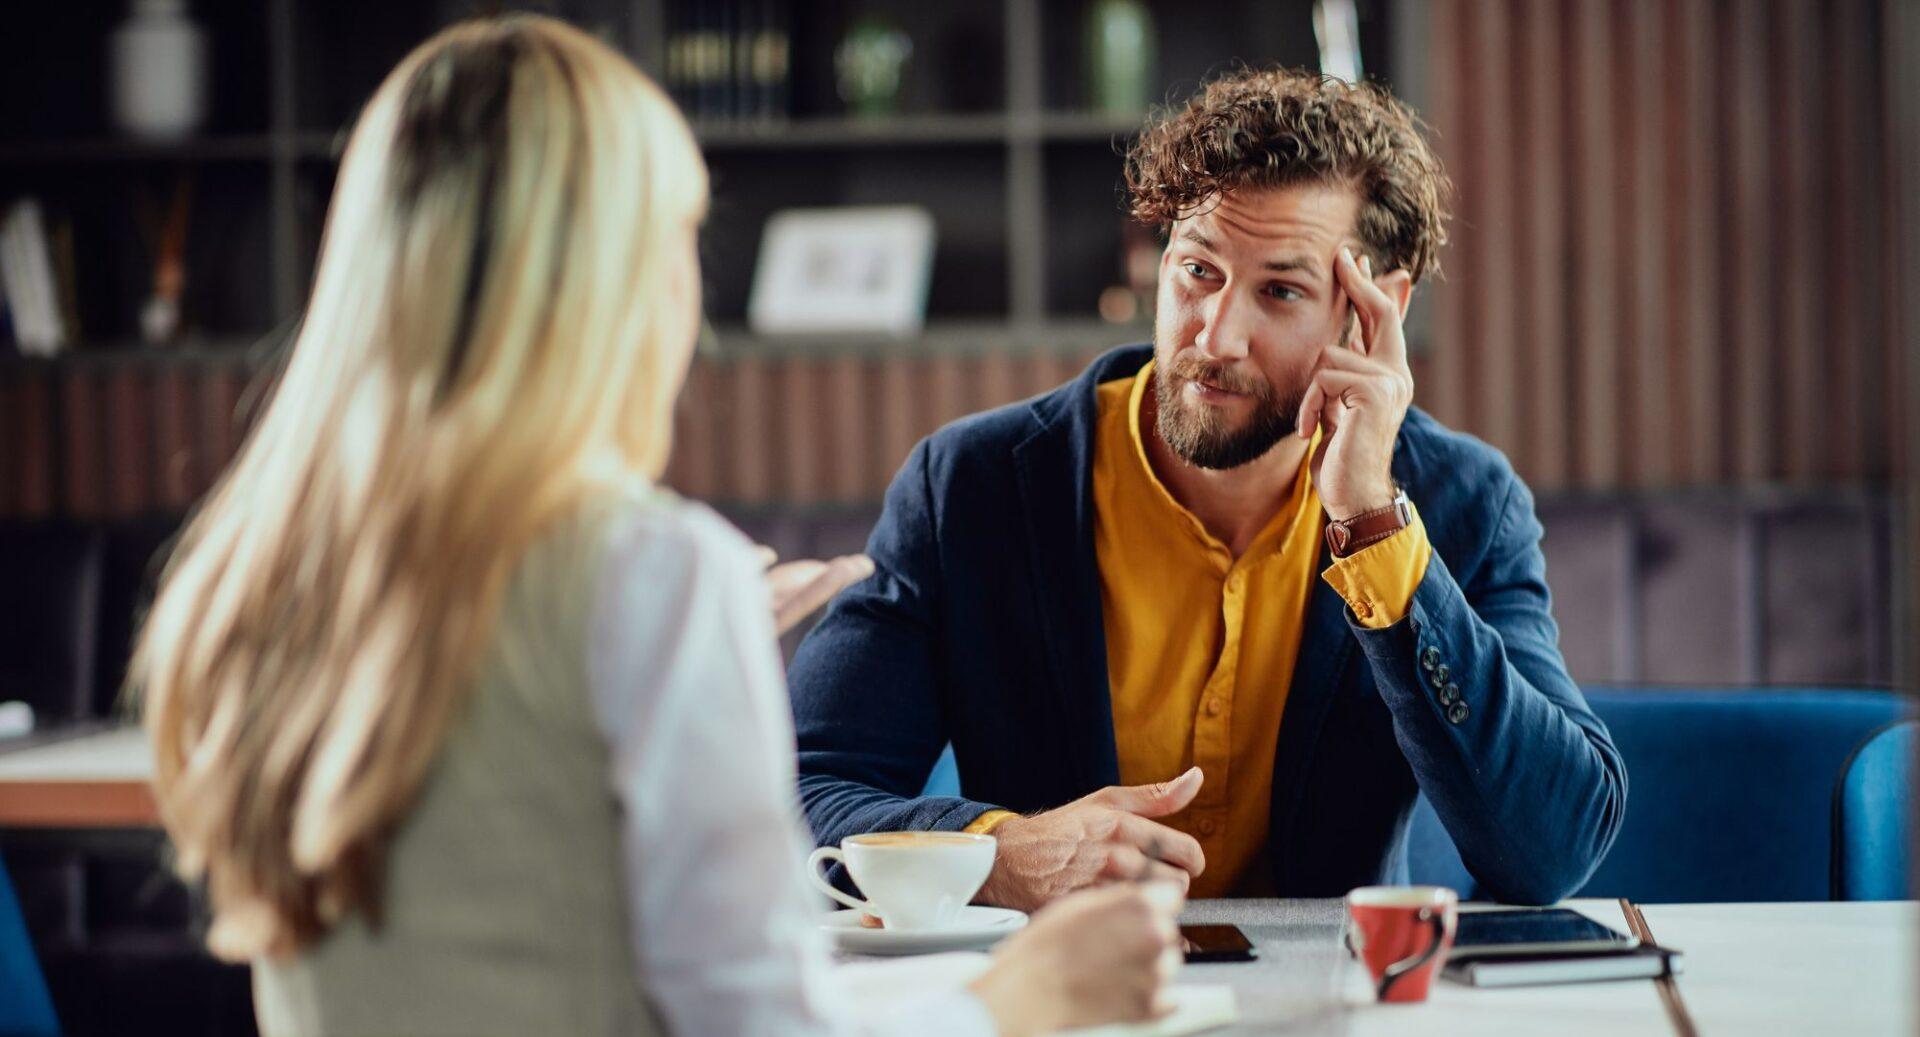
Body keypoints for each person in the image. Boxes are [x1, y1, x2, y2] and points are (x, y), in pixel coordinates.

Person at [130, 16, 1181, 1037]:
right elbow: (752, 1021)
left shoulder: (253, 573)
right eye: (678, 236)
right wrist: (1017, 999)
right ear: (614, 275)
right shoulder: (651, 574)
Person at [790, 68, 1627, 909]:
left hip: (1336, 1009)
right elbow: (800, 794)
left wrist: (1373, 526)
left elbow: (1551, 848)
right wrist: (1001, 854)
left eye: (1281, 291)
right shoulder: (968, 489)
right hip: (1055, 1000)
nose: (1216, 336)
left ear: (1374, 311)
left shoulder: (1463, 501)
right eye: (1198, 271)